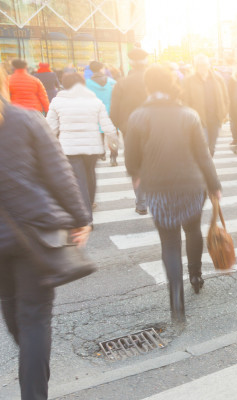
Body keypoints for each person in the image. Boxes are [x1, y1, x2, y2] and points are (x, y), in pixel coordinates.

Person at [0, 67, 92, 400]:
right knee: (35, 319)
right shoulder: (24, 120)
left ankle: (32, 363)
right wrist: (81, 217)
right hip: (34, 235)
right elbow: (59, 173)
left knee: (12, 312)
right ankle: (34, 386)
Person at [124, 65, 221, 325]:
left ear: (148, 86)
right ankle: (196, 276)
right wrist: (214, 184)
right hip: (192, 184)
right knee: (192, 230)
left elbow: (131, 158)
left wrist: (136, 174)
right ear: (172, 84)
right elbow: (203, 155)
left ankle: (176, 300)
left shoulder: (138, 116)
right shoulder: (188, 115)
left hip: (158, 187)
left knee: (169, 243)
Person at [46, 73, 118, 217]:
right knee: (90, 175)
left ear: (64, 85)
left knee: (79, 179)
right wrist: (113, 141)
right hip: (92, 146)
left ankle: (86, 215)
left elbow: (50, 128)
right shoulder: (95, 101)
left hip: (69, 147)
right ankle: (90, 203)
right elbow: (107, 125)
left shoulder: (57, 101)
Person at [110, 48, 150, 215]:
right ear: (146, 62)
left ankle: (141, 203)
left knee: (136, 165)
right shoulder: (155, 81)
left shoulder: (122, 83)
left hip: (131, 131)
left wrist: (123, 127)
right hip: (155, 128)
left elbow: (114, 112)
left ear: (131, 63)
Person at [181, 54, 229, 156]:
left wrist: (224, 112)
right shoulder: (188, 80)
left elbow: (225, 97)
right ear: (196, 66)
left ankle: (207, 165)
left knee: (212, 146)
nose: (203, 67)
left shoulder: (218, 78)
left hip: (215, 119)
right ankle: (205, 169)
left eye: (205, 64)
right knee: (204, 146)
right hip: (199, 120)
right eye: (200, 65)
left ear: (209, 65)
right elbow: (185, 100)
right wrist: (189, 116)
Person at [85, 61, 118, 165]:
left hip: (95, 112)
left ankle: (101, 153)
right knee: (112, 135)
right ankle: (113, 157)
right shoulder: (111, 82)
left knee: (99, 133)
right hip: (111, 112)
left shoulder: (86, 84)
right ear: (101, 69)